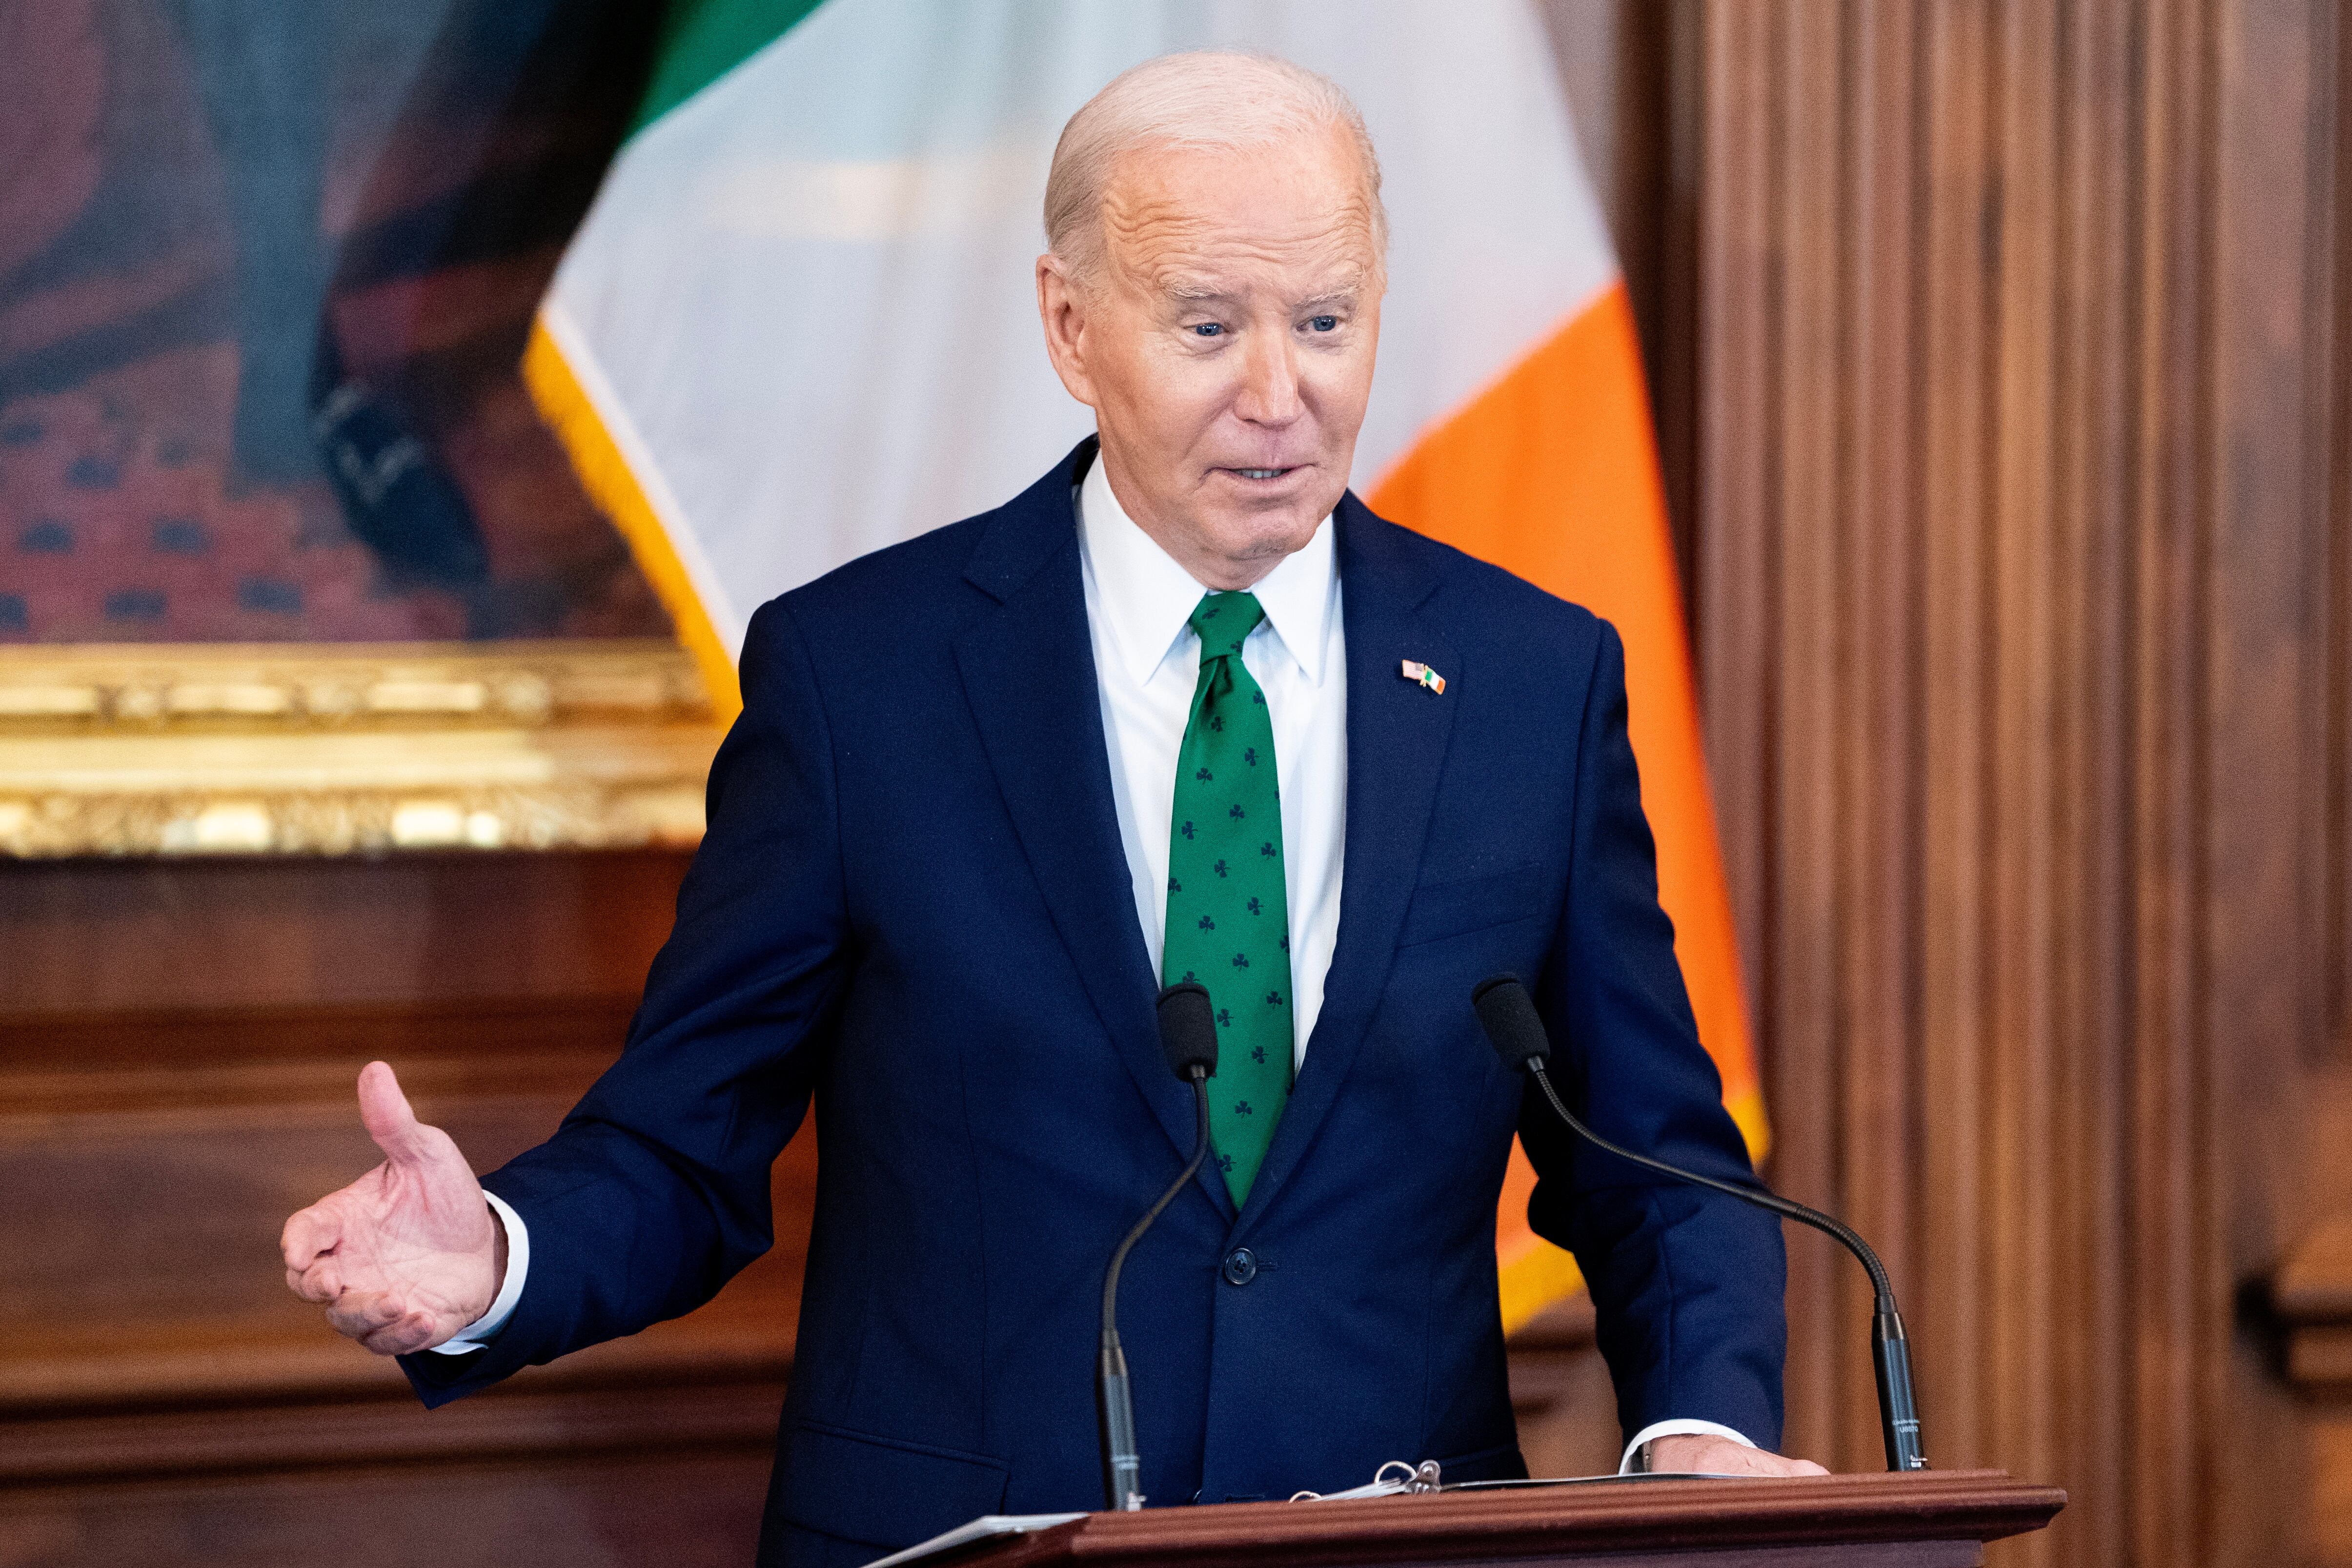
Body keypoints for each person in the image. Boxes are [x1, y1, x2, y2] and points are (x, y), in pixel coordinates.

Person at [280, 50, 1824, 1566]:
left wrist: (1701, 1426)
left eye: (1328, 322)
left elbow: (1655, 1165)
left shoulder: (1526, 681)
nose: (1278, 395)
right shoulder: (861, 680)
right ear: (1070, 327)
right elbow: (685, 1150)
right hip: (955, 1544)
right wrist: (497, 1256)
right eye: (1209, 324)